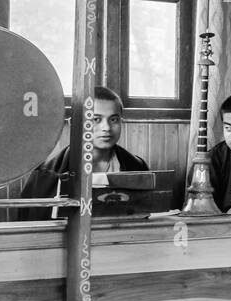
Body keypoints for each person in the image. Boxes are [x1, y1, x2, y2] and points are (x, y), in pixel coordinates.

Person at [19, 86, 149, 220]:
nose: (106, 128)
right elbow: (28, 228)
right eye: (95, 119)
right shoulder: (47, 174)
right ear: (74, 124)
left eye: (113, 119)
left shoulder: (137, 166)